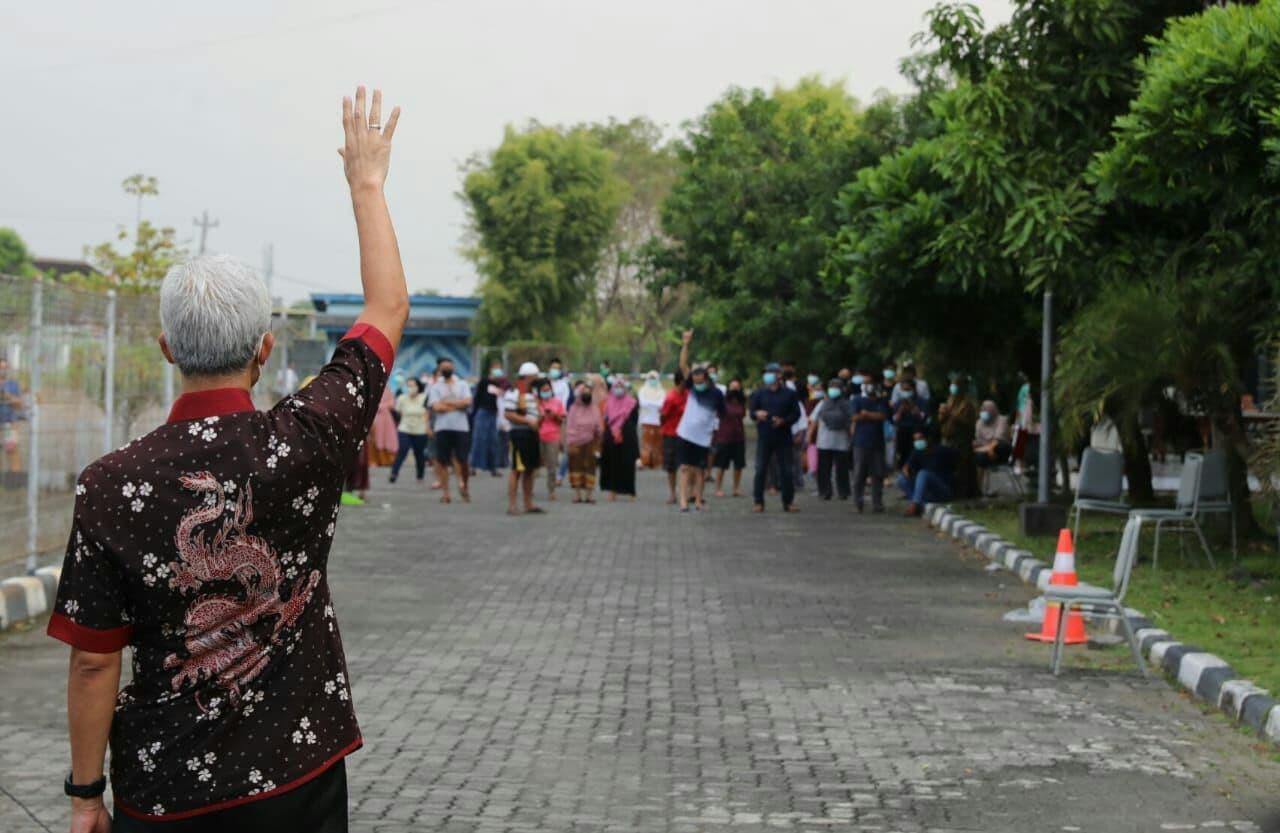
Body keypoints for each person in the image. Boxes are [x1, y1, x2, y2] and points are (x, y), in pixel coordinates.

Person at [46, 86, 405, 833]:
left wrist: (86, 793)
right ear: (265, 348)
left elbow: (93, 661)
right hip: (298, 776)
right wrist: (367, 184)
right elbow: (385, 311)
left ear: (168, 348)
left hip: (166, 789)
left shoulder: (111, 484)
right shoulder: (306, 440)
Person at [675, 331, 726, 512]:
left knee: (699, 470)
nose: (696, 384)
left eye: (699, 380)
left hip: (703, 437)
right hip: (686, 433)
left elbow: (722, 414)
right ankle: (683, 501)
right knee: (684, 468)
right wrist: (686, 344)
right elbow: (683, 366)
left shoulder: (716, 394)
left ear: (706, 379)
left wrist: (714, 431)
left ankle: (698, 500)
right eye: (694, 381)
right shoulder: (693, 388)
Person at [749, 361, 801, 513]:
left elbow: (796, 414)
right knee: (760, 470)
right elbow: (752, 413)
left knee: (786, 471)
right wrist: (757, 414)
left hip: (783, 437)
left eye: (771, 372)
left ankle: (788, 502)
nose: (768, 376)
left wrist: (783, 421)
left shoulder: (790, 394)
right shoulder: (759, 393)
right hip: (765, 436)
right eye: (766, 373)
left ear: (779, 375)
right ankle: (758, 502)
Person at [427, 356, 472, 503]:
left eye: (449, 366)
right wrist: (457, 405)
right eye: (444, 367)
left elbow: (467, 402)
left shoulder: (463, 384)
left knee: (463, 460)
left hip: (461, 427)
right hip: (442, 427)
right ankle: (446, 493)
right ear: (440, 369)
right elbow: (436, 407)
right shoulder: (435, 387)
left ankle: (464, 485)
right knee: (443, 461)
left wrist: (446, 403)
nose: (447, 369)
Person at [503, 362, 543, 515]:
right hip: (519, 434)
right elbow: (508, 414)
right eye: (535, 376)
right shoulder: (514, 392)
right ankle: (512, 505)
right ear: (527, 377)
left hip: (533, 434)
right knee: (517, 469)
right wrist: (528, 421)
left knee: (530, 469)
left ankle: (528, 503)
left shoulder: (533, 393)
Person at [850, 370, 890, 513]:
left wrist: (866, 414)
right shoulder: (856, 399)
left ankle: (877, 502)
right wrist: (869, 416)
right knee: (859, 473)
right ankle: (858, 501)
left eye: (869, 383)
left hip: (877, 442)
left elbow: (882, 416)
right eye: (864, 383)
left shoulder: (881, 400)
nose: (867, 386)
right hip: (860, 442)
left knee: (877, 474)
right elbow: (855, 417)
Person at [808, 378, 853, 500]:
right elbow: (813, 421)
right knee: (823, 469)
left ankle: (843, 492)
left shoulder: (847, 405)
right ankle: (825, 491)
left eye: (836, 387)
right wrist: (809, 437)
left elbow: (852, 421)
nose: (834, 389)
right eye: (832, 386)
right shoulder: (822, 404)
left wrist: (852, 437)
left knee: (842, 470)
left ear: (842, 389)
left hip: (841, 442)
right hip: (824, 442)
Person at [599, 376, 640, 501]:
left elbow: (634, 420)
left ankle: (630, 492)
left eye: (621, 387)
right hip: (611, 436)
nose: (618, 389)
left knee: (628, 464)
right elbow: (605, 419)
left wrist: (623, 429)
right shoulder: (607, 403)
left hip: (628, 437)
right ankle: (612, 491)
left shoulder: (632, 403)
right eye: (616, 387)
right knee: (612, 463)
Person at [899, 430, 957, 515]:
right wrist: (906, 471)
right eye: (915, 440)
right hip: (927, 493)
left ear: (927, 439)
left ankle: (915, 504)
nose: (918, 442)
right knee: (901, 480)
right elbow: (906, 467)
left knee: (923, 473)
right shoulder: (916, 452)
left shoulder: (941, 450)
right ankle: (919, 503)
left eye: (920, 439)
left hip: (942, 489)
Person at [938, 376, 978, 499]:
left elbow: (968, 423)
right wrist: (943, 413)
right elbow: (941, 420)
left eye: (955, 385)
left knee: (962, 469)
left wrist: (953, 415)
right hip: (947, 439)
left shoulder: (967, 404)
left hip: (961, 441)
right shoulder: (949, 401)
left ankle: (964, 494)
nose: (953, 388)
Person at [565, 381, 602, 503]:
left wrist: (599, 435)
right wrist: (570, 442)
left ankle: (589, 495)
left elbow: (598, 426)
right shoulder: (573, 408)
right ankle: (578, 495)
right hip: (575, 442)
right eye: (584, 392)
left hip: (590, 442)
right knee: (575, 467)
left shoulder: (594, 408)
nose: (587, 394)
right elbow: (569, 426)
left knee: (590, 467)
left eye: (589, 392)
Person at [712, 379, 748, 498]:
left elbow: (743, 415)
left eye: (737, 387)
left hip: (739, 437)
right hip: (724, 437)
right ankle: (718, 488)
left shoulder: (742, 402)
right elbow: (717, 414)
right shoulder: (722, 401)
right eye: (732, 387)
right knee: (721, 465)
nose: (734, 389)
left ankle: (736, 488)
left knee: (738, 465)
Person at [390, 377, 429, 483]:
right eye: (409, 386)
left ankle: (420, 475)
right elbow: (398, 412)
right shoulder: (402, 398)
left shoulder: (424, 397)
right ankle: (394, 473)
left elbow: (427, 413)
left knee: (419, 453)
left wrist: (428, 428)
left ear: (418, 386)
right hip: (404, 428)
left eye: (413, 385)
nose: (411, 388)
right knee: (402, 450)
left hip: (421, 430)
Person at [469, 361, 505, 476]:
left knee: (493, 440)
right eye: (495, 368)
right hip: (483, 412)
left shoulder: (500, 384)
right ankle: (473, 466)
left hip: (494, 413)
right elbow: (477, 397)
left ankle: (492, 467)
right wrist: (474, 414)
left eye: (499, 368)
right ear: (490, 369)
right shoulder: (484, 382)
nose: (497, 370)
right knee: (479, 439)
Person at [659, 370, 688, 505]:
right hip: (671, 434)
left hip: (686, 434)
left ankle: (686, 492)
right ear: (681, 381)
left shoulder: (688, 395)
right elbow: (663, 416)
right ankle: (672, 493)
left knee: (686, 464)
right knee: (671, 466)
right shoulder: (671, 397)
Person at [974, 399, 1013, 495]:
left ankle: (980, 489)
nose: (983, 413)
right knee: (977, 457)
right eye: (982, 410)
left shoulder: (1001, 420)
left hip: (1000, 451)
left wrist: (990, 448)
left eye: (985, 410)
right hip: (985, 452)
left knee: (998, 446)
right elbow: (978, 441)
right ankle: (978, 488)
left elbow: (998, 439)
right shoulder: (979, 423)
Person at [536, 377, 566, 500]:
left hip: (553, 436)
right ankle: (529, 488)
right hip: (537, 436)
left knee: (552, 466)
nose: (546, 392)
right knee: (534, 465)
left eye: (548, 389)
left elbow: (562, 420)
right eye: (543, 390)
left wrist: (554, 415)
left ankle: (551, 490)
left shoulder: (557, 402)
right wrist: (541, 417)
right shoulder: (535, 402)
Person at [891, 378, 926, 470]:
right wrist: (900, 411)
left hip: (916, 431)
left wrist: (914, 408)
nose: (905, 392)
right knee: (902, 453)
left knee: (915, 453)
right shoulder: (899, 403)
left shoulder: (920, 401)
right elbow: (894, 419)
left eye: (907, 390)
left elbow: (923, 417)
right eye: (903, 390)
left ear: (913, 389)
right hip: (902, 430)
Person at [547, 357, 572, 486]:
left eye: (557, 368)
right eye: (553, 368)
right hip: (545, 420)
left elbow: (565, 402)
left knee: (565, 448)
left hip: (560, 419)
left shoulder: (564, 385)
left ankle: (560, 475)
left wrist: (560, 415)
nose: (555, 370)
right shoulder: (545, 384)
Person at [0, 358, 24, 484]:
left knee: (12, 450)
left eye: (4, 368)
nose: (2, 371)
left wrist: (7, 396)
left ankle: (15, 481)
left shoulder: (12, 384)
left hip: (9, 423)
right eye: (0, 368)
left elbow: (19, 404)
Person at [637, 370, 665, 469]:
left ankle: (656, 462)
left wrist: (650, 403)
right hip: (646, 419)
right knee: (646, 442)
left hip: (657, 420)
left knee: (657, 442)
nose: (652, 380)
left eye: (654, 378)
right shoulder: (642, 390)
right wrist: (654, 404)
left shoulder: (661, 391)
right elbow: (642, 403)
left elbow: (661, 404)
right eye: (651, 378)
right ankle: (645, 461)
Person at [368, 384, 399, 467]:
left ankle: (387, 460)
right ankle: (374, 460)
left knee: (387, 437)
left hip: (386, 419)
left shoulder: (387, 389)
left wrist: (383, 406)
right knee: (374, 438)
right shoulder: (372, 388)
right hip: (374, 417)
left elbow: (392, 402)